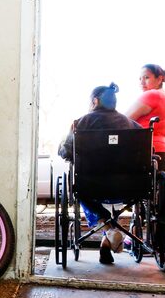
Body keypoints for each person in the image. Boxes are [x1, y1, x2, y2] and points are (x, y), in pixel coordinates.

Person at [58, 83, 141, 265]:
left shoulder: (80, 123)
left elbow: (65, 151)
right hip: (129, 187)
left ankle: (109, 228)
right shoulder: (133, 125)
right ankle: (107, 243)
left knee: (83, 189)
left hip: (91, 187)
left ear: (95, 101)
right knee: (111, 184)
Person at [124, 64, 165, 172]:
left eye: (146, 77)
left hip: (147, 152)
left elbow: (123, 120)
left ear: (160, 79)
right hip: (162, 152)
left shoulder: (152, 94)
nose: (142, 82)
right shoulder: (164, 96)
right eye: (140, 78)